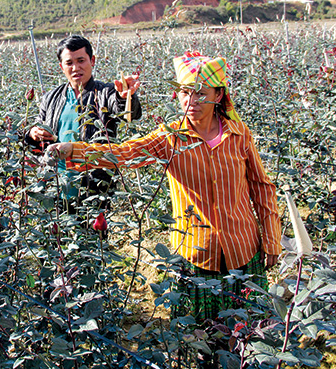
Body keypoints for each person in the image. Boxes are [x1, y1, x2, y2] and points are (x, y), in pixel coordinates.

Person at [48, 52, 281, 321]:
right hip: (196, 254)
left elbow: (262, 187)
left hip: (243, 249)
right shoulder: (170, 138)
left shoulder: (239, 135)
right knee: (200, 333)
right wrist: (73, 150)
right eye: (185, 93)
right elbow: (124, 153)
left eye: (200, 94)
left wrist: (272, 239)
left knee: (246, 330)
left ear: (218, 96)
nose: (191, 101)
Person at [26, 35, 143, 211]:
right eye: (69, 63)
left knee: (94, 235)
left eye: (81, 60)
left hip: (92, 184)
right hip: (55, 182)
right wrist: (33, 133)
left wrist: (125, 97)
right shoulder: (51, 98)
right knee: (57, 236)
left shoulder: (106, 92)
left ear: (92, 61)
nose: (76, 68)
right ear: (61, 67)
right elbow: (35, 129)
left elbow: (127, 113)